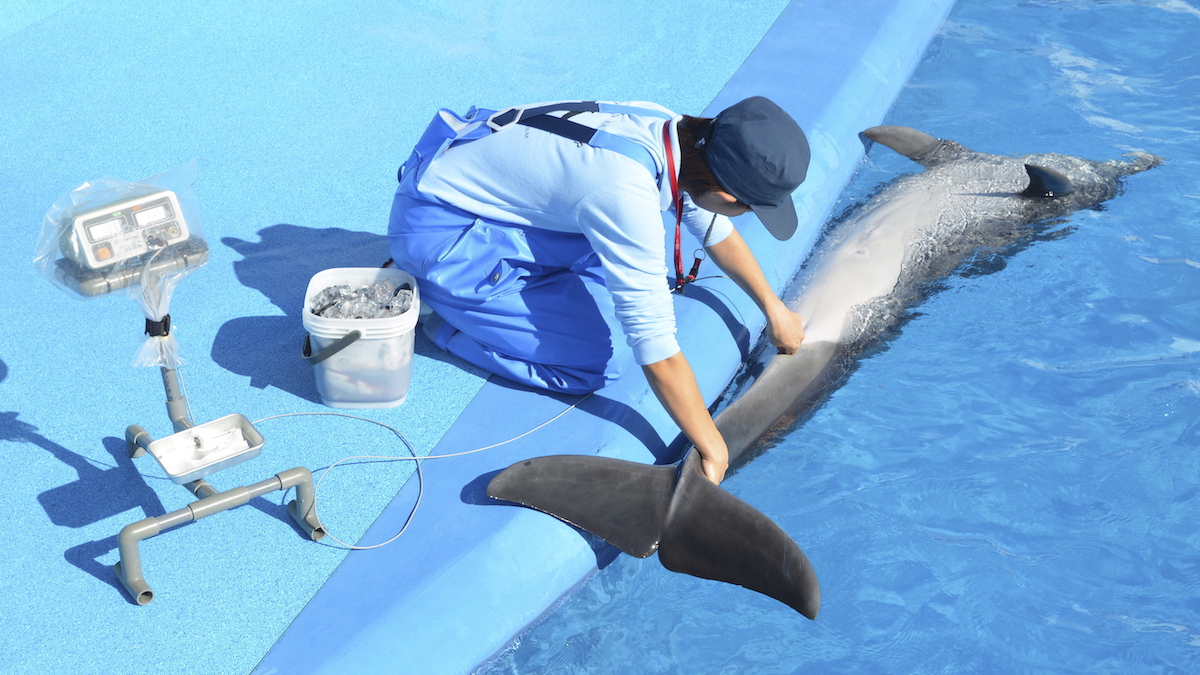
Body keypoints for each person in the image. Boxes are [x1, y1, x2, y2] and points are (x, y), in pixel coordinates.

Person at [388, 96, 809, 484]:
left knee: (621, 288)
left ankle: (478, 297)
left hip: (471, 185)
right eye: (751, 207)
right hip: (441, 234)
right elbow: (654, 346)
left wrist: (774, 309)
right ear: (723, 193)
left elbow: (711, 224)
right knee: (591, 365)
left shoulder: (669, 127)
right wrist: (716, 447)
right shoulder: (623, 192)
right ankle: (444, 318)